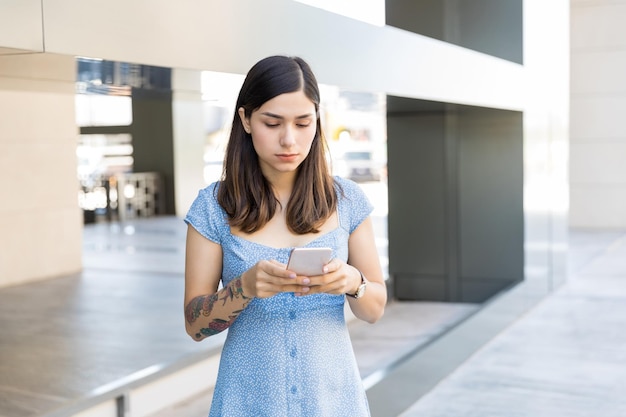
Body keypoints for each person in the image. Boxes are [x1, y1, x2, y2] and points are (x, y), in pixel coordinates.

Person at [183, 55, 387, 417]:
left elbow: (374, 309)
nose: (289, 139)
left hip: (332, 401)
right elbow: (195, 325)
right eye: (272, 123)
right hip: (245, 403)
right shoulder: (213, 207)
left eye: (303, 122)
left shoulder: (348, 200)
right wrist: (243, 287)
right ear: (245, 119)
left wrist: (352, 281)